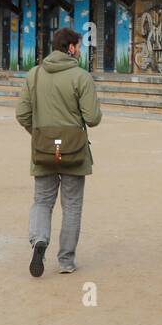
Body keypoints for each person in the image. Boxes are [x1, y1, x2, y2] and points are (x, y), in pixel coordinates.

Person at [15, 27, 102, 277]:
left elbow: (21, 114)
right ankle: (66, 260)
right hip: (74, 151)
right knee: (72, 205)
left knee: (42, 201)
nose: (81, 51)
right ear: (72, 48)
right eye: (80, 47)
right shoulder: (81, 76)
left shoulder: (34, 75)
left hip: (44, 150)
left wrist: (40, 134)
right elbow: (93, 118)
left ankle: (39, 240)